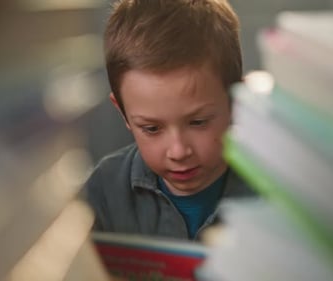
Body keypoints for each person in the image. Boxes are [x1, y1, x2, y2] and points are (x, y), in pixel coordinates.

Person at [83, 0, 255, 240]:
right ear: (122, 112)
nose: (178, 151)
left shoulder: (276, 193)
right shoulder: (104, 189)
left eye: (198, 122)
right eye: (151, 128)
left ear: (237, 102)